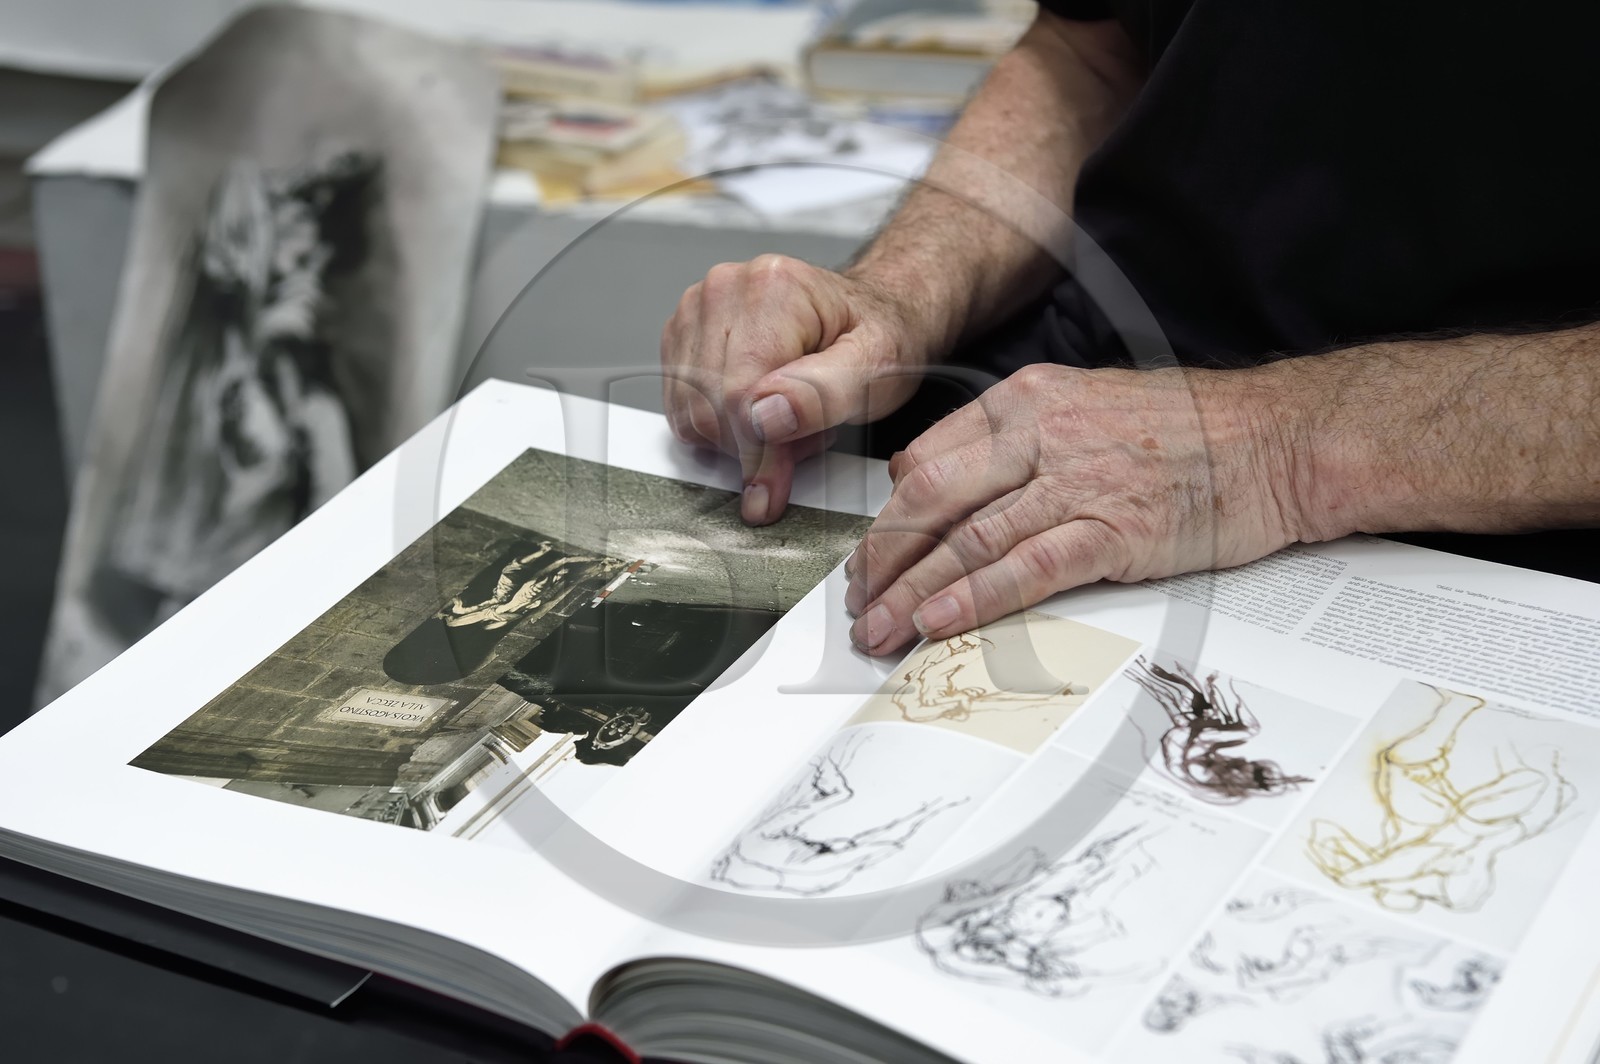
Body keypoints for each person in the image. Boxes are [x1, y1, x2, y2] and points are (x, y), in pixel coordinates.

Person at [659, 4, 1600, 658]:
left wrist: (1285, 449)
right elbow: (1092, 50)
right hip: (1067, 393)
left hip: (1500, 517)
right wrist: (900, 292)